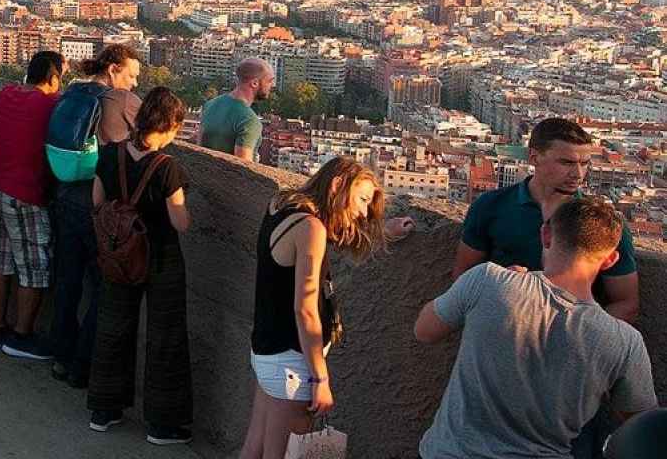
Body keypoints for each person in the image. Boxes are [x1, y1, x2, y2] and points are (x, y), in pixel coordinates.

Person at [415, 197, 657, 459]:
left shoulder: (488, 280)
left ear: (545, 235)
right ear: (610, 260)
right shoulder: (624, 342)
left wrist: (500, 283)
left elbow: (424, 330)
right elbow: (642, 426)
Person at [239, 157, 412, 459]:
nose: (362, 211)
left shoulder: (283, 205)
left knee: (254, 448)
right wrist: (321, 379)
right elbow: (305, 310)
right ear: (336, 186)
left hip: (268, 351)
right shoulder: (310, 227)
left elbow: (322, 239)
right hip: (291, 364)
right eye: (361, 199)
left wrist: (380, 231)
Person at [86, 87, 193, 445]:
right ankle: (162, 423)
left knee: (113, 326)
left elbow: (98, 202)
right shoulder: (168, 168)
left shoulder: (109, 155)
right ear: (171, 125)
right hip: (160, 256)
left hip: (119, 253)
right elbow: (180, 222)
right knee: (165, 336)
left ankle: (104, 408)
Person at [455, 118, 640, 322]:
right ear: (534, 158)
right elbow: (463, 278)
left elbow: (626, 304)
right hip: (503, 330)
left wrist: (575, 335)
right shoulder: (491, 206)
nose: (578, 174)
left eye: (584, 163)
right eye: (566, 162)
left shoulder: (604, 223)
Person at [48, 45, 142, 383]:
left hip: (64, 193)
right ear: (114, 69)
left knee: (67, 281)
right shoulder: (119, 101)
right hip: (98, 204)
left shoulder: (72, 92)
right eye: (131, 75)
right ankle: (83, 365)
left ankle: (60, 355)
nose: (133, 83)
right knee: (101, 289)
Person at [0, 50, 64, 361]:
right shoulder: (50, 104)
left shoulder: (5, 95)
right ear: (53, 77)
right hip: (27, 194)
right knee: (33, 268)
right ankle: (21, 336)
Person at [199, 57, 272, 161]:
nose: (272, 86)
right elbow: (243, 168)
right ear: (254, 83)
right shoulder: (249, 121)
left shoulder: (210, 105)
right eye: (269, 81)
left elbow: (199, 149)